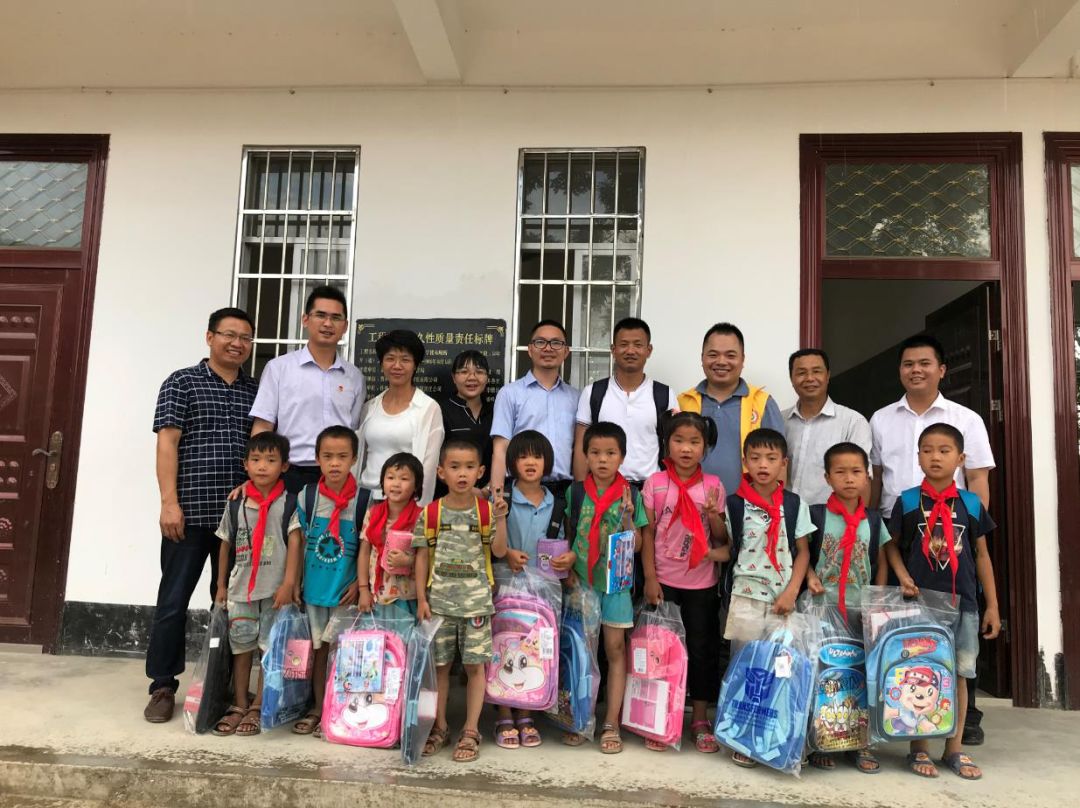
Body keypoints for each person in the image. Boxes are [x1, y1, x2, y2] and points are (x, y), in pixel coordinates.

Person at [868, 333, 995, 745]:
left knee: (961, 622)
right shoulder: (881, 419)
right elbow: (876, 479)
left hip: (951, 532)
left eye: (924, 363)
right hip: (898, 531)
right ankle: (907, 714)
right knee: (907, 627)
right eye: (908, 364)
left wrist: (969, 526)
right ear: (900, 370)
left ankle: (965, 717)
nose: (916, 370)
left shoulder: (966, 419)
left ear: (942, 369)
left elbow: (978, 479)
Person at [145, 307, 258, 723]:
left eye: (245, 338)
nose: (237, 344)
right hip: (190, 513)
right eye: (229, 334)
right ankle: (162, 685)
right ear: (209, 337)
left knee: (228, 603)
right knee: (173, 600)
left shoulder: (256, 390)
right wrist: (168, 502)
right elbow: (167, 443)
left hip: (239, 519)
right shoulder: (182, 382)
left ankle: (220, 682)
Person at [882, 423, 1000, 781]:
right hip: (920, 603)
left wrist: (992, 606)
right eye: (928, 450)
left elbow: (981, 555)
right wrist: (902, 576)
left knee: (960, 674)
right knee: (920, 671)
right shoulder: (906, 501)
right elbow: (890, 546)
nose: (935, 457)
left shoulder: (971, 503)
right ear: (918, 457)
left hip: (963, 604)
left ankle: (954, 747)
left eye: (945, 451)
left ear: (961, 459)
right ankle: (919, 747)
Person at [721, 428, 813, 767]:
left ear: (783, 463)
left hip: (782, 602)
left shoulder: (794, 504)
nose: (763, 465)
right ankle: (742, 736)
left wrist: (792, 591)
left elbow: (803, 552)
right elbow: (729, 546)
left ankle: (779, 735)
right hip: (745, 598)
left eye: (771, 458)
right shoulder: (734, 504)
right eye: (756, 458)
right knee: (746, 668)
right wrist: (712, 520)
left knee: (781, 670)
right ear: (744, 461)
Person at [414, 439, 509, 763]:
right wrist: (422, 598)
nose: (462, 474)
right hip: (439, 605)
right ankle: (439, 727)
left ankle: (471, 730)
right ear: (441, 472)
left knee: (474, 667)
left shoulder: (485, 511)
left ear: (481, 472)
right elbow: (421, 557)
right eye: (455, 467)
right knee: (439, 668)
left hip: (476, 606)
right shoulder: (431, 513)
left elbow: (499, 551)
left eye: (469, 467)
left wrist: (501, 518)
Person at [641, 412, 729, 754]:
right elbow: (648, 534)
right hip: (664, 581)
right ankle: (660, 715)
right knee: (660, 652)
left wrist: (713, 515)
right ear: (667, 443)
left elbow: (721, 539)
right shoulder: (655, 483)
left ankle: (700, 718)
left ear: (705, 446)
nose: (686, 448)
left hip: (701, 583)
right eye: (678, 441)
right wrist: (650, 578)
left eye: (695, 442)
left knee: (702, 650)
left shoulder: (714, 486)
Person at [803, 441, 890, 774]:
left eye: (856, 471)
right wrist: (810, 577)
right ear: (827, 477)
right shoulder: (815, 515)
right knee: (823, 675)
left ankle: (859, 742)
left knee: (859, 677)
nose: (849, 479)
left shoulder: (873, 519)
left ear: (867, 477)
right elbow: (803, 554)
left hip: (859, 611)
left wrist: (876, 599)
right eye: (840, 472)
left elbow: (882, 559)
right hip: (821, 609)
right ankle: (821, 740)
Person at [564, 422, 649, 754]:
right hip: (582, 581)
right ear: (585, 456)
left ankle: (611, 721)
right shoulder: (575, 493)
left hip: (616, 584)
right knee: (581, 651)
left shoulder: (632, 495)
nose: (602, 460)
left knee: (615, 649)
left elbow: (637, 545)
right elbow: (568, 535)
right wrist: (567, 571)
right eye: (595, 453)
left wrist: (627, 518)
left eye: (611, 453)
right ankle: (578, 718)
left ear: (622, 457)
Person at [284, 425, 372, 737]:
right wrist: (292, 582)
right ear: (317, 459)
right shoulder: (307, 497)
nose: (335, 463)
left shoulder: (364, 501)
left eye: (342, 456)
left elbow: (369, 546)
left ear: (354, 459)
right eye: (328, 456)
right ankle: (318, 708)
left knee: (346, 655)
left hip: (346, 594)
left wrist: (361, 585)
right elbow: (296, 539)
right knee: (318, 652)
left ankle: (341, 710)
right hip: (313, 592)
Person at [210, 431, 297, 737]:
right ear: (245, 464)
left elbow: (296, 543)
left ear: (284, 466)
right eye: (256, 459)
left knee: (268, 650)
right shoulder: (236, 503)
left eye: (271, 460)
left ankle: (258, 705)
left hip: (274, 592)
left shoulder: (289, 503)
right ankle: (239, 703)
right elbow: (225, 543)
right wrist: (221, 585)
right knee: (241, 647)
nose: (262, 466)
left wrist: (289, 584)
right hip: (240, 590)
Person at [249, 285, 365, 494]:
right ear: (305, 319)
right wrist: (258, 479)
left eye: (336, 318)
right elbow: (263, 426)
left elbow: (352, 428)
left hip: (337, 478)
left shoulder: (354, 377)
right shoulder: (279, 368)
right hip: (290, 474)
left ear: (345, 326)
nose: (327, 323)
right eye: (320, 315)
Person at [493, 429, 562, 750]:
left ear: (547, 462)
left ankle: (526, 709)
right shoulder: (504, 500)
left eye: (537, 456)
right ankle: (503, 711)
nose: (530, 462)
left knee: (532, 652)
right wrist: (507, 552)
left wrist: (566, 558)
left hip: (541, 595)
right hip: (506, 589)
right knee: (503, 647)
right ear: (512, 464)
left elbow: (562, 544)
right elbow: (493, 546)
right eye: (522, 457)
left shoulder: (556, 503)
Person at [678, 322, 784, 498]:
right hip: (691, 505)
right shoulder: (683, 402)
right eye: (713, 355)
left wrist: (774, 507)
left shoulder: (763, 403)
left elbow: (779, 462)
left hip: (749, 508)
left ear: (742, 360)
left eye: (730, 355)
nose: (721, 361)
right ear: (702, 358)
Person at [573, 317, 677, 487]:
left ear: (649, 350)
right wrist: (580, 490)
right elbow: (580, 447)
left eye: (638, 345)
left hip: (651, 490)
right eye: (623, 344)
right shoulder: (593, 393)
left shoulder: (664, 394)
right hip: (603, 489)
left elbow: (674, 447)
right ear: (613, 350)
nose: (630, 351)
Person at [355, 329, 443, 504]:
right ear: (381, 364)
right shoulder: (370, 407)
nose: (397, 366)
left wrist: (418, 509)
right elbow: (359, 457)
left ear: (415, 365)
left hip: (403, 503)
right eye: (390, 358)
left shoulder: (428, 408)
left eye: (405, 359)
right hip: (365, 499)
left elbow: (428, 467)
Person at [490, 320, 578, 494]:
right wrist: (497, 494)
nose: (548, 348)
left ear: (566, 351)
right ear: (530, 350)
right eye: (540, 342)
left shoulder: (576, 397)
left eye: (556, 343)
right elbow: (500, 449)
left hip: (564, 491)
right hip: (520, 489)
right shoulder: (509, 393)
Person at [783, 349, 872, 506]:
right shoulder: (780, 420)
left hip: (831, 517)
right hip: (785, 515)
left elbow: (862, 479)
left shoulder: (853, 422)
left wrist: (856, 519)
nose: (810, 378)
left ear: (828, 375)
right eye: (801, 373)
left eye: (816, 371)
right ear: (791, 378)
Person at [357, 452, 425, 621]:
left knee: (404, 637)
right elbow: (364, 552)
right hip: (376, 595)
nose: (396, 483)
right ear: (382, 482)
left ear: (416, 485)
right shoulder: (373, 513)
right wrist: (363, 589)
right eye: (390, 477)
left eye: (404, 478)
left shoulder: (422, 517)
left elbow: (428, 556)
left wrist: (409, 561)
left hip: (407, 597)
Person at [437, 349, 494, 498]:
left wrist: (486, 490)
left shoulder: (496, 411)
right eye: (464, 372)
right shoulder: (440, 410)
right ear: (454, 377)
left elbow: (503, 455)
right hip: (448, 497)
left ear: (487, 377)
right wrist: (467, 489)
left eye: (479, 372)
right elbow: (433, 459)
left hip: (489, 498)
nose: (472, 378)